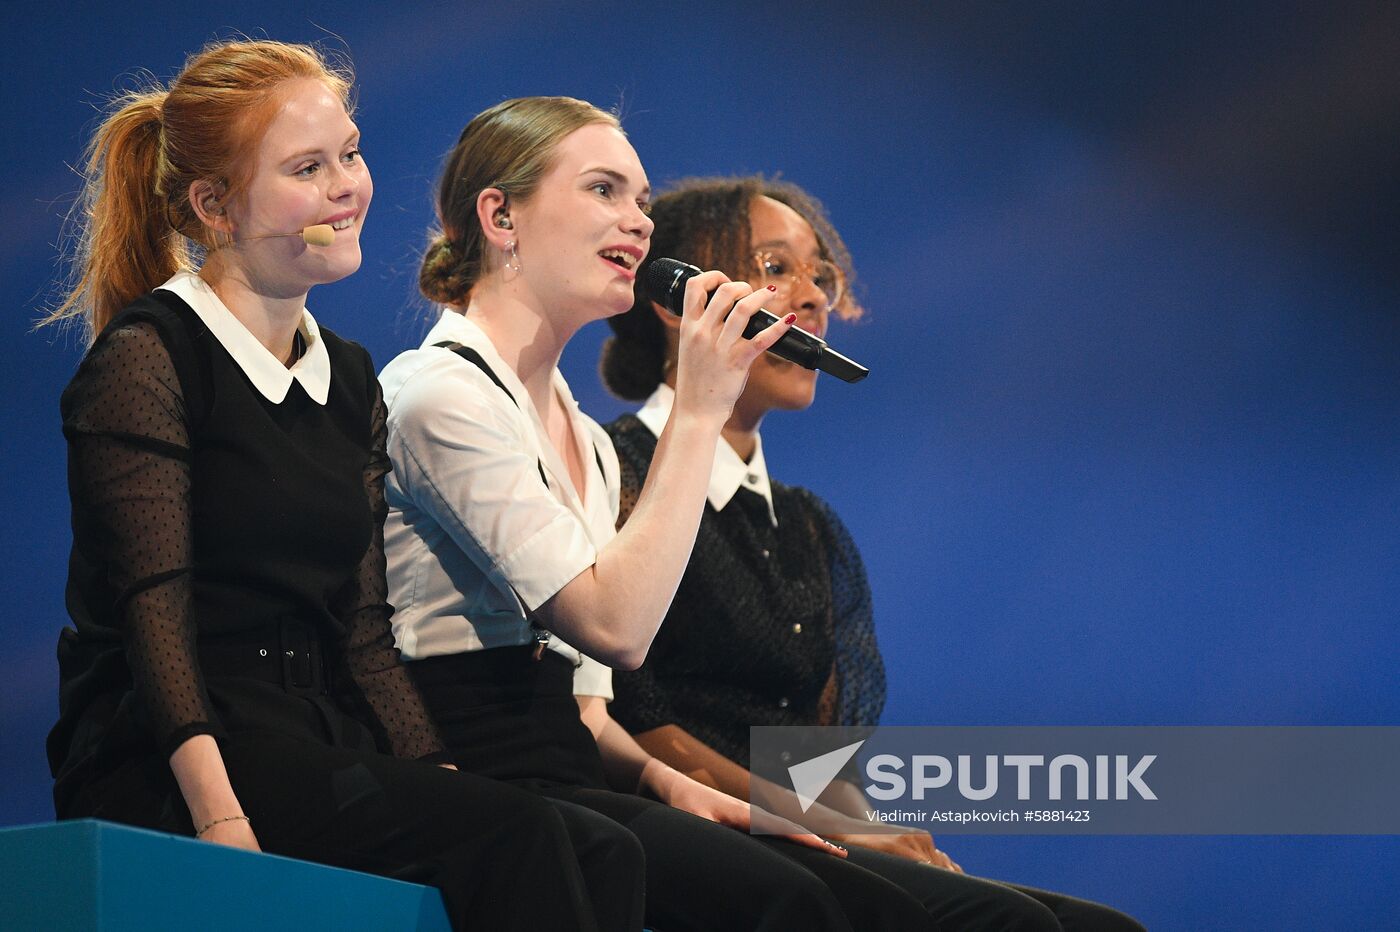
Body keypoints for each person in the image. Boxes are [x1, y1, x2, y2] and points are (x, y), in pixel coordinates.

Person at [42, 40, 610, 931]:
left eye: (350, 152)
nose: (348, 186)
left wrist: (440, 777)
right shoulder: (151, 359)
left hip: (309, 733)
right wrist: (220, 819)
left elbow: (361, 628)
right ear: (215, 207)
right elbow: (153, 622)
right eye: (309, 168)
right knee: (520, 839)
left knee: (595, 847)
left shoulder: (347, 377)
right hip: (172, 748)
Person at [382, 96, 937, 931]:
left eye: (641, 199)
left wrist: (673, 788)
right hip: (475, 767)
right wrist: (700, 409)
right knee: (792, 904)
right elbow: (618, 630)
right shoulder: (439, 395)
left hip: (579, 765)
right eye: (605, 190)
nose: (638, 224)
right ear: (500, 215)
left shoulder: (582, 436)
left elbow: (593, 710)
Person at [600, 175, 1147, 932]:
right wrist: (846, 832)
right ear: (674, 298)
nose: (814, 296)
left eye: (819, 276)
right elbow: (638, 720)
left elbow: (812, 754)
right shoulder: (613, 470)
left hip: (797, 830)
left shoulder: (808, 526)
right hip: (681, 823)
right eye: (774, 267)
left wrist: (885, 833)